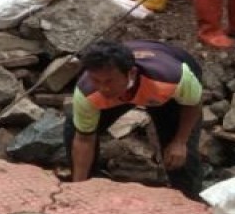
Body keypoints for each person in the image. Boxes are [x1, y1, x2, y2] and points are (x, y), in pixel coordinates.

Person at [66, 40, 204, 199]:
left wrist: (180, 141)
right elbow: (84, 139)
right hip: (127, 93)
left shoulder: (173, 77)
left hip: (166, 93)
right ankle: (90, 188)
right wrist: (78, 189)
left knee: (180, 156)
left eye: (109, 81)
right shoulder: (88, 92)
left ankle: (188, 200)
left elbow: (193, 103)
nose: (103, 88)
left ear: (131, 73)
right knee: (73, 130)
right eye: (96, 81)